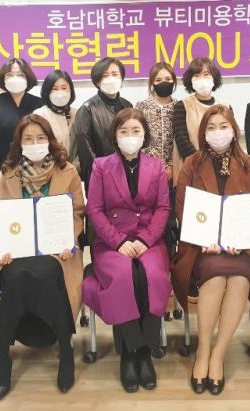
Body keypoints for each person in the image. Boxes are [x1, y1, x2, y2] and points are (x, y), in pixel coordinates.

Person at [0, 114, 85, 399]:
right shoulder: (7, 174)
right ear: (19, 143)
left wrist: (68, 239)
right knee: (18, 274)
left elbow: (77, 214)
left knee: (44, 271)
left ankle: (65, 348)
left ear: (50, 140)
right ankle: (3, 358)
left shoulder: (68, 171)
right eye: (28, 139)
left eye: (41, 138)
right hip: (14, 253)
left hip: (56, 253)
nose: (35, 144)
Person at [172, 105, 250, 396]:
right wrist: (202, 238)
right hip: (202, 247)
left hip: (239, 248)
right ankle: (203, 351)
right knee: (214, 278)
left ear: (234, 130)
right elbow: (182, 207)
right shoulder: (192, 163)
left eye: (223, 126)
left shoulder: (249, 163)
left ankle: (218, 353)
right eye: (211, 128)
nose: (218, 132)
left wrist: (241, 238)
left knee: (239, 279)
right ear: (203, 133)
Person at [83, 108, 172, 393]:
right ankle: (131, 352)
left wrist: (145, 240)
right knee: (124, 277)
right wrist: (119, 242)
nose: (130, 136)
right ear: (114, 135)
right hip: (112, 241)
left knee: (152, 277)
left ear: (145, 135)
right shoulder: (100, 166)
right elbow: (94, 210)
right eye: (124, 131)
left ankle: (144, 353)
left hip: (149, 240)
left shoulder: (156, 166)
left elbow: (163, 208)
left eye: (136, 131)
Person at [0, 58, 42, 190]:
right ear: (3, 79)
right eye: (10, 75)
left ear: (27, 78)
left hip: (35, 168)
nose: (15, 78)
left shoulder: (39, 104)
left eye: (20, 74)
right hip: (1, 169)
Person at [73, 57, 133, 185]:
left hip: (128, 173)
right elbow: (86, 153)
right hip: (101, 176)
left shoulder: (128, 105)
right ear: (97, 80)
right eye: (105, 75)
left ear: (121, 77)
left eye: (115, 74)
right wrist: (100, 175)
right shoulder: (87, 109)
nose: (111, 78)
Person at [171, 57, 229, 185]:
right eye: (196, 75)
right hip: (191, 170)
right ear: (190, 80)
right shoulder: (182, 106)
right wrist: (204, 164)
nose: (202, 79)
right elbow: (182, 141)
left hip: (221, 170)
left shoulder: (225, 107)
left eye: (206, 74)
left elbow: (232, 139)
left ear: (214, 77)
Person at [135, 62, 178, 183]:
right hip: (147, 167)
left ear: (174, 81)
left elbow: (180, 139)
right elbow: (138, 137)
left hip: (175, 169)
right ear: (152, 83)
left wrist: (171, 165)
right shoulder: (142, 106)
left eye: (168, 79)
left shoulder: (179, 107)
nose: (164, 82)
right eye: (158, 80)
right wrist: (156, 164)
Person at [33, 70, 79, 171]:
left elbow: (82, 145)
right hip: (49, 171)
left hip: (75, 171)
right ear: (47, 92)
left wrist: (74, 168)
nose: (60, 93)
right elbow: (38, 147)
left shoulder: (78, 113)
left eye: (64, 88)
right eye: (54, 89)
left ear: (71, 90)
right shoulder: (40, 115)